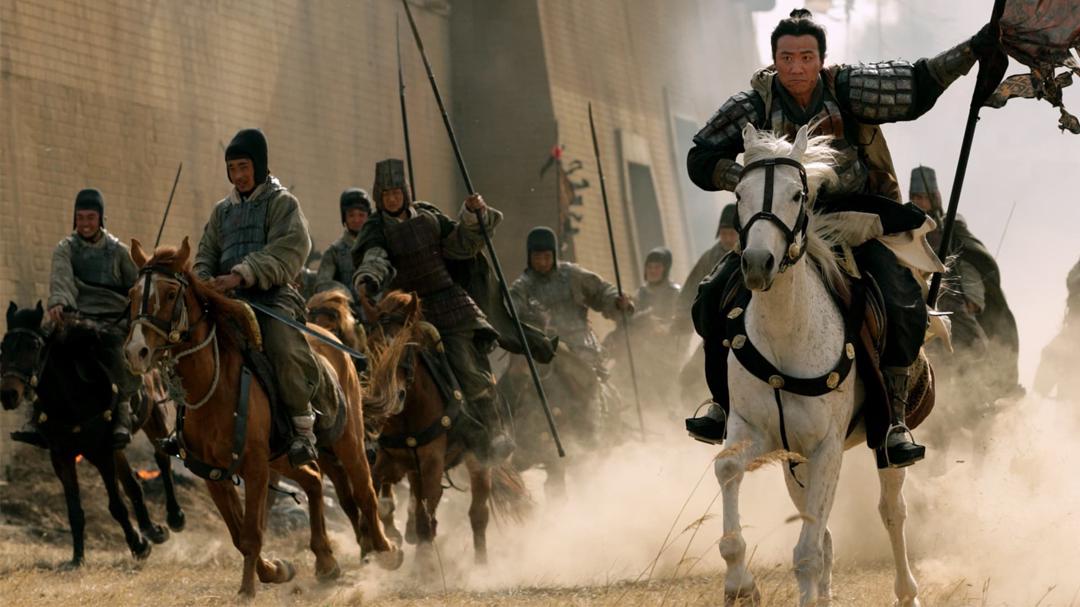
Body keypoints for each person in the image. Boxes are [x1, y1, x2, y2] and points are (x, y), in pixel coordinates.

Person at [684, 9, 999, 468]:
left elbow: (918, 84)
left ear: (820, 59)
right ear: (774, 59)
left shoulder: (848, 89)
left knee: (901, 301)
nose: (796, 67)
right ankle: (720, 405)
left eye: (805, 57)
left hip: (854, 220)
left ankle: (894, 422)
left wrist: (974, 48)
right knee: (713, 295)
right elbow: (700, 157)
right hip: (781, 227)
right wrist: (751, 180)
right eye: (786, 58)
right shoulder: (753, 105)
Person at [351, 159, 513, 463]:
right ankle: (372, 434)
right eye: (386, 195)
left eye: (396, 193)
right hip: (407, 311)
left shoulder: (428, 218)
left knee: (465, 363)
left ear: (405, 193)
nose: (392, 199)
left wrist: (472, 214)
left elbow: (460, 245)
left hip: (449, 303)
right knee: (379, 362)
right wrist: (369, 278)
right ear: (378, 197)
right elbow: (375, 258)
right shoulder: (377, 230)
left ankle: (492, 433)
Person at [184, 128, 321, 466]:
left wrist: (242, 274)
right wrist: (203, 280)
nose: (238, 175)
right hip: (225, 300)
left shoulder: (282, 203)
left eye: (243, 167)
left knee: (283, 346)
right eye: (232, 169)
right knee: (189, 344)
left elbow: (289, 249)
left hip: (272, 298)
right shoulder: (222, 212)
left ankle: (303, 429)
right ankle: (185, 426)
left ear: (258, 165)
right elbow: (206, 253)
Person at [13, 189, 140, 449]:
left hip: (113, 320)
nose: (85, 224)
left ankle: (123, 414)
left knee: (118, 353)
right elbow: (61, 279)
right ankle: (35, 414)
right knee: (40, 347)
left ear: (101, 218)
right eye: (80, 218)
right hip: (77, 315)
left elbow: (136, 287)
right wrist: (59, 303)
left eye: (90, 217)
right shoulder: (66, 249)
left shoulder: (119, 252)